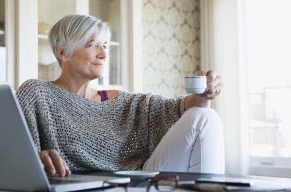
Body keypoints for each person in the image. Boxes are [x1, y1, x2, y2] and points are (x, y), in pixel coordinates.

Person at [16, 14, 224, 177]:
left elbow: (181, 108)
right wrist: (34, 158)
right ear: (63, 52)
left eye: (105, 46)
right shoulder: (37, 93)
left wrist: (205, 94)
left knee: (205, 115)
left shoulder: (115, 98)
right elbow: (9, 154)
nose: (104, 54)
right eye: (92, 45)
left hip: (136, 181)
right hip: (74, 185)